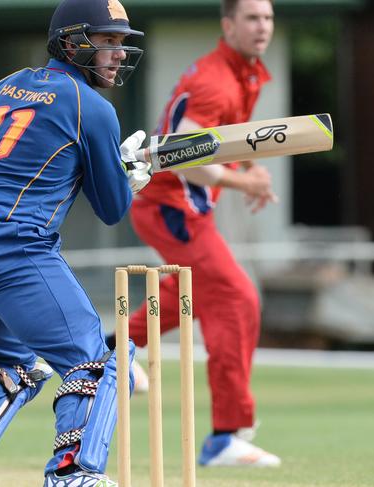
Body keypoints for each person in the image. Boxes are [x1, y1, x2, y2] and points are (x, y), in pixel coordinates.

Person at [0, 1, 151, 485]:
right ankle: (73, 473)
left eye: (121, 44)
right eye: (105, 41)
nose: (117, 54)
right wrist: (125, 173)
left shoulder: (11, 83)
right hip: (6, 245)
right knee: (101, 363)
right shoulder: (95, 110)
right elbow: (111, 210)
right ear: (71, 42)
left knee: (6, 361)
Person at [106, 0, 281, 468]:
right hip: (170, 207)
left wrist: (246, 166)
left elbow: (222, 139)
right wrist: (245, 180)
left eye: (267, 17)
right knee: (236, 296)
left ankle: (111, 352)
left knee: (199, 292)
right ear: (228, 25)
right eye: (251, 18)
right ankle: (226, 436)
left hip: (179, 209)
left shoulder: (244, 73)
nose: (262, 26)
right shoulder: (215, 78)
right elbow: (185, 152)